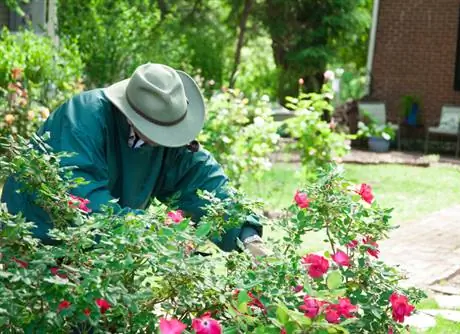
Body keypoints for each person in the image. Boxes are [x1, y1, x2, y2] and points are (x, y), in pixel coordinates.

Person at [1, 63, 267, 256]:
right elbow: (82, 203)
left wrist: (248, 234)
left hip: (101, 251)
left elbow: (202, 180)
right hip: (41, 240)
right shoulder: (82, 119)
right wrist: (156, 234)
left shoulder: (166, 141)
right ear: (132, 115)